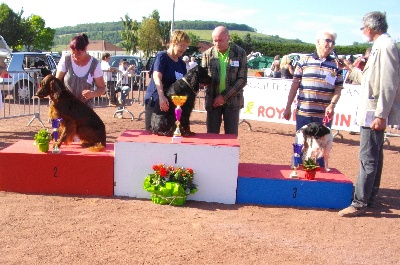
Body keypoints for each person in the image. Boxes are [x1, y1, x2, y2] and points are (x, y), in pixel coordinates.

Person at [338, 12, 400, 217]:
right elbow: (368, 80)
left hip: (374, 112)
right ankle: (369, 197)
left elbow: (389, 83)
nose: (362, 30)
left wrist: (381, 114)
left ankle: (360, 202)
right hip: (372, 111)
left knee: (368, 157)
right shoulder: (380, 46)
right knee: (373, 155)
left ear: (371, 28)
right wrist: (348, 67)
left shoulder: (386, 46)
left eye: (362, 27)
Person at [283, 30, 343, 131]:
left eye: (333, 42)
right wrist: (288, 106)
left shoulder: (337, 65)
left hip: (324, 115)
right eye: (328, 40)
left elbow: (338, 88)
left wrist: (332, 105)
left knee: (321, 146)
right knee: (301, 144)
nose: (331, 44)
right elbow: (294, 85)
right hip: (304, 113)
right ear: (318, 41)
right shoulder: (303, 61)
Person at [201, 26, 247, 136]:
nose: (217, 43)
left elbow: (242, 79)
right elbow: (202, 77)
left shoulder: (240, 53)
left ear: (228, 38)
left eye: (220, 40)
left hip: (233, 101)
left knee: (231, 137)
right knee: (211, 136)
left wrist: (223, 96)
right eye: (215, 40)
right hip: (213, 102)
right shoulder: (207, 54)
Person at [144, 30, 190, 131]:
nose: (184, 49)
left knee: (170, 132)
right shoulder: (162, 57)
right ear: (174, 42)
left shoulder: (182, 64)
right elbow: (157, 77)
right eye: (182, 45)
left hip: (172, 104)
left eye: (186, 46)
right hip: (156, 100)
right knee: (153, 131)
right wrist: (161, 97)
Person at [56, 33, 105, 108]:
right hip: (66, 106)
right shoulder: (65, 60)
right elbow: (56, 82)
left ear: (85, 49)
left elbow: (102, 88)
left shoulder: (95, 64)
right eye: (73, 54)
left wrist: (92, 94)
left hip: (85, 108)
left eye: (78, 54)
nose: (75, 57)